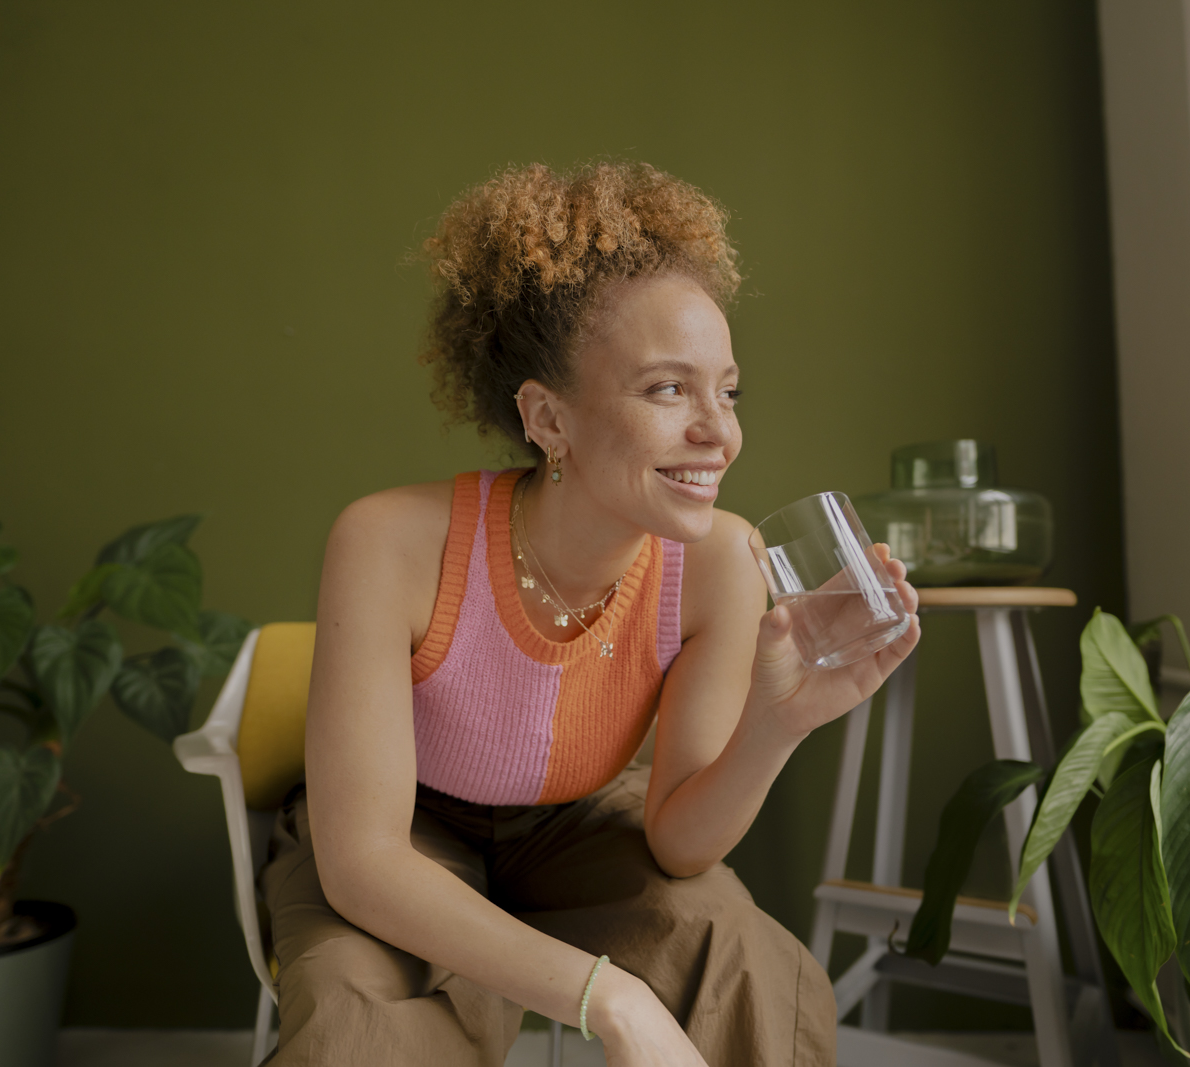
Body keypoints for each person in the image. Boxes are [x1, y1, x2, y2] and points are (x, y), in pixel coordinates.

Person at [262, 161, 920, 1066]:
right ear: (548, 418)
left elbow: (679, 845)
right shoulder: (387, 541)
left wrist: (781, 721)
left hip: (575, 824)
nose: (718, 431)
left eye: (727, 390)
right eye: (666, 389)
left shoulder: (720, 561)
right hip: (406, 826)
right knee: (360, 1014)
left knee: (733, 948)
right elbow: (365, 862)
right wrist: (609, 996)